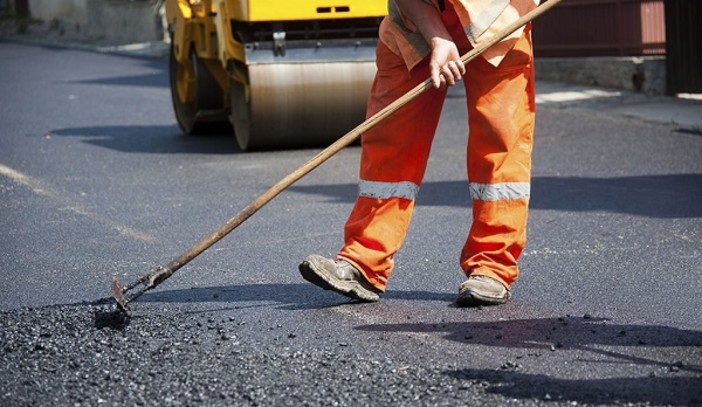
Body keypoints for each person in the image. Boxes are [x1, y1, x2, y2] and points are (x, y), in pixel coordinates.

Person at [299, 0, 540, 306]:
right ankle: (364, 261)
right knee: (390, 137)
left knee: (500, 140)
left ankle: (492, 267)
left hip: (497, 18)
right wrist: (438, 38)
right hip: (413, 23)